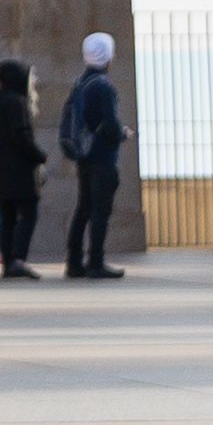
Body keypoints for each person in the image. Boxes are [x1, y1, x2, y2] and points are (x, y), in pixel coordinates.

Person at [58, 31, 132, 281]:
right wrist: (123, 133)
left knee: (84, 209)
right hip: (102, 157)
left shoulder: (81, 82)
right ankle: (96, 262)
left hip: (84, 157)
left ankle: (74, 261)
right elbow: (109, 125)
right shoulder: (103, 86)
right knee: (100, 211)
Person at [0, 52, 46, 284]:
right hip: (18, 171)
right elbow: (21, 136)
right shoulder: (16, 102)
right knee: (28, 213)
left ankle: (8, 261)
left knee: (6, 217)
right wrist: (39, 156)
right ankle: (17, 258)